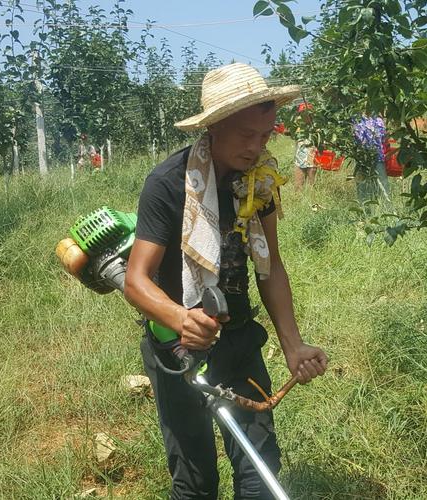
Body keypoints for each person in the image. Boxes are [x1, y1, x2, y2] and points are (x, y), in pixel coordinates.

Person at [124, 63, 329, 500]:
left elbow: (270, 266)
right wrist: (182, 318)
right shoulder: (168, 184)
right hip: (177, 348)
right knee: (195, 480)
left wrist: (293, 345)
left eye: (266, 135)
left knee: (260, 469)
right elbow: (136, 281)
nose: (257, 147)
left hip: (237, 339)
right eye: (246, 135)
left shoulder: (260, 182)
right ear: (214, 127)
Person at [293, 102, 317, 189]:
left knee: (312, 184)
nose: (305, 116)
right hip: (299, 159)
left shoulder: (316, 127)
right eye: (302, 113)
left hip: (312, 159)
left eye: (307, 113)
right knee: (298, 185)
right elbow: (287, 132)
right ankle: (298, 197)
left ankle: (313, 196)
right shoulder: (297, 127)